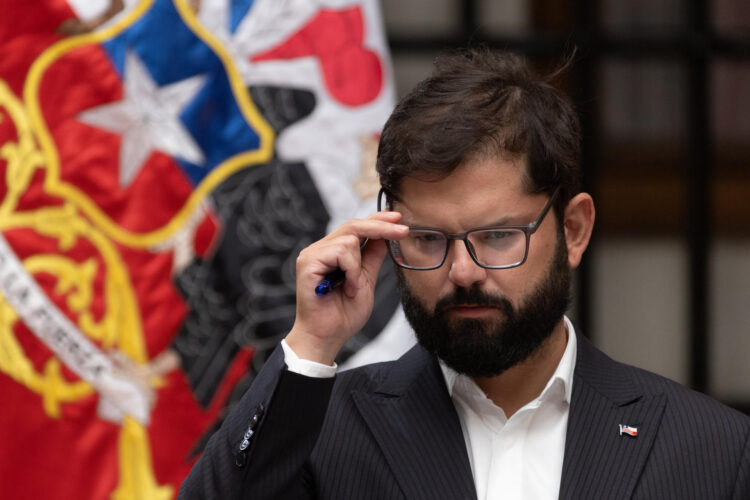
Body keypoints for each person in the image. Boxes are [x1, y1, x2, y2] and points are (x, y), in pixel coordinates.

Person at [179, 48, 750, 500]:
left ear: (574, 231)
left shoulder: (707, 447)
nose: (462, 272)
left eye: (498, 236)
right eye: (428, 239)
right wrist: (312, 343)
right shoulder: (325, 432)